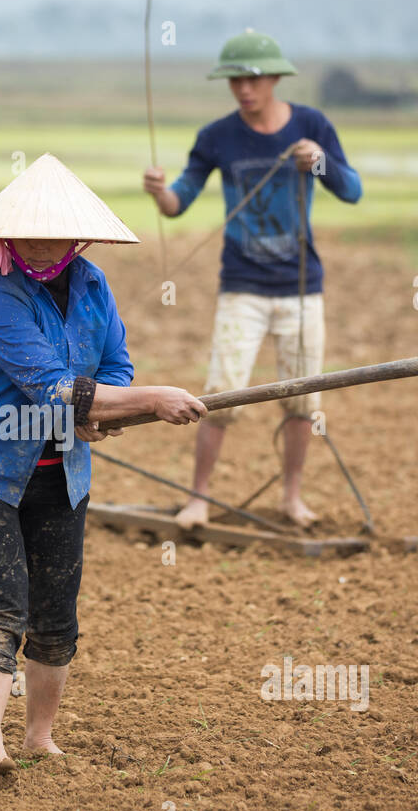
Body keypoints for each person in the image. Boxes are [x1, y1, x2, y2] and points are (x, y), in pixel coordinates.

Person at [0, 153, 206, 774]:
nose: (37, 246)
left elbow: (114, 365)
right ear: (4, 236)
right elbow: (54, 388)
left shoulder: (92, 285)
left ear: (74, 236)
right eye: (25, 235)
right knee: (5, 601)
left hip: (63, 472)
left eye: (50, 234)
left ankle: (39, 736)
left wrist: (103, 413)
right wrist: (151, 400)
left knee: (57, 611)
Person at [143, 29, 362, 529]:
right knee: (219, 393)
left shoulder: (312, 125)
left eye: (255, 78)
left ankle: (292, 497)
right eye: (236, 79)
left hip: (301, 286)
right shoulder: (216, 137)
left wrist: (321, 163)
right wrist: (158, 193)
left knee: (303, 397)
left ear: (276, 78)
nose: (245, 88)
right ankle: (198, 498)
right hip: (241, 284)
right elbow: (179, 201)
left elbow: (352, 191)